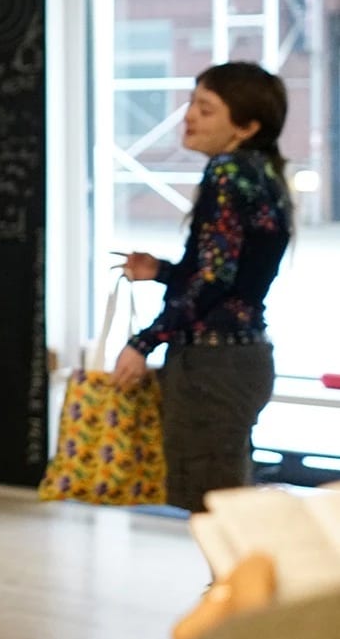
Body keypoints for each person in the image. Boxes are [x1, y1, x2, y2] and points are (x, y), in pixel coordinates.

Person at [113, 62, 293, 513]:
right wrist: (163, 271)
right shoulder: (264, 175)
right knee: (225, 504)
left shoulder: (227, 173)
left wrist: (143, 341)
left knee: (217, 511)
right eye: (193, 103)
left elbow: (214, 280)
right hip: (242, 358)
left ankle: (235, 587)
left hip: (212, 367)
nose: (189, 116)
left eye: (206, 109)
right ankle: (231, 587)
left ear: (246, 127)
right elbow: (231, 279)